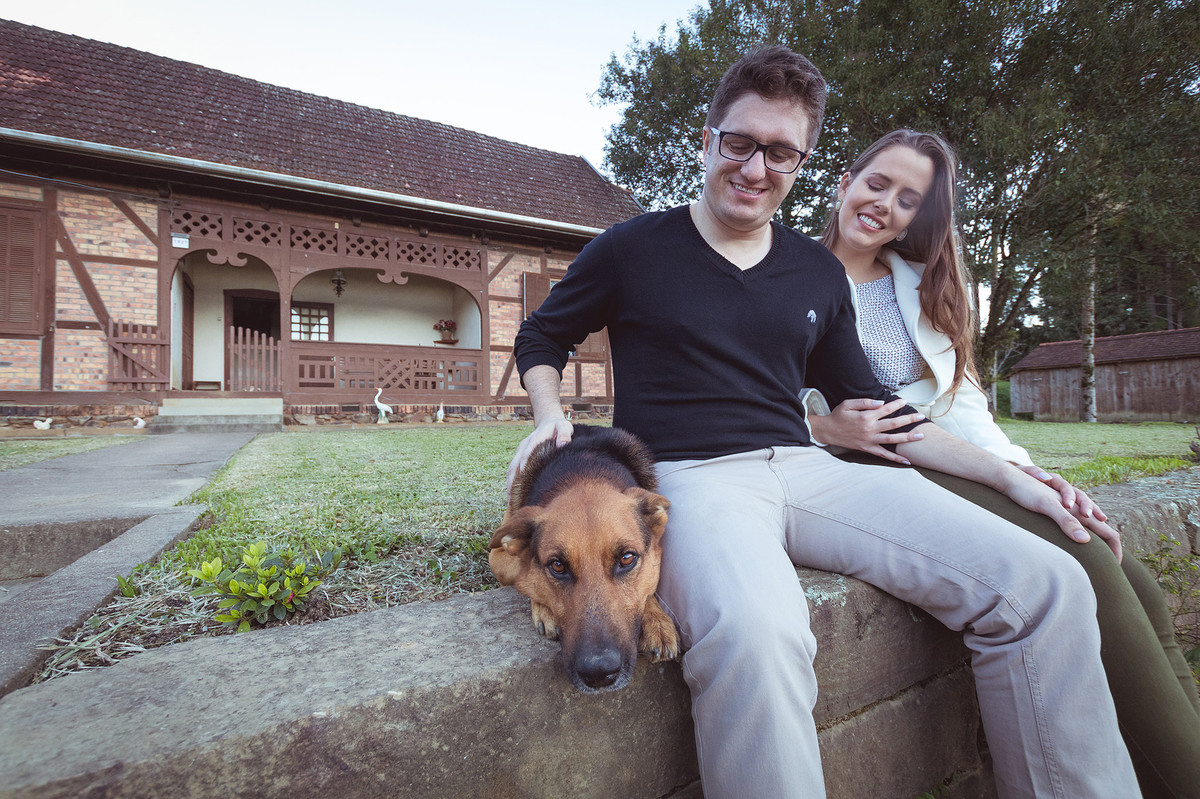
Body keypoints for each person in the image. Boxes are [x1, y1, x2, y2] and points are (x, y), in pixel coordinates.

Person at [510, 45, 1141, 798]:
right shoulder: (631, 248)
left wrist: (1022, 479)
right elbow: (541, 336)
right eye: (739, 143)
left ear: (803, 162)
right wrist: (549, 416)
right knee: (758, 634)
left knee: (1046, 581)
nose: (754, 168)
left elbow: (884, 413)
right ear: (706, 141)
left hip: (810, 469)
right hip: (694, 476)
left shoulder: (815, 271)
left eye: (780, 152)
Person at [807, 128, 1200, 796]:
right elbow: (740, 398)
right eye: (877, 183)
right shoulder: (784, 271)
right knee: (1086, 570)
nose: (885, 205)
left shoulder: (917, 282)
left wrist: (1034, 476)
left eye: (909, 199)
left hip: (946, 451)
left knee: (1132, 577)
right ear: (846, 181)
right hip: (874, 467)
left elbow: (960, 407)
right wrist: (820, 424)